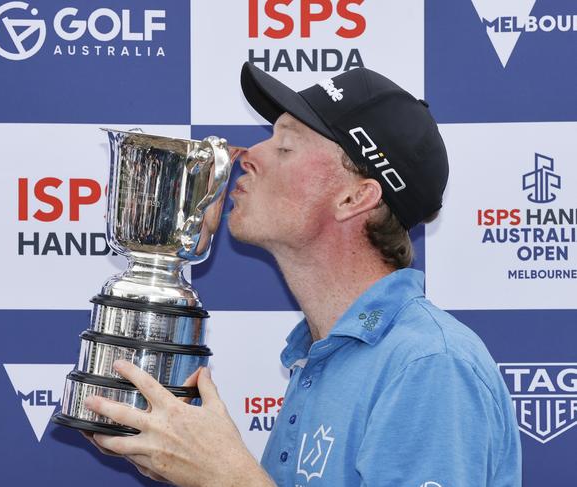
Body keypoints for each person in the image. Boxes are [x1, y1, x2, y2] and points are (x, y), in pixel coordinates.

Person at [82, 62, 522, 487]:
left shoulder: (428, 366)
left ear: (355, 199)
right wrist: (193, 470)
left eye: (285, 146)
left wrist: (228, 479)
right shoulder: (321, 352)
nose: (248, 154)